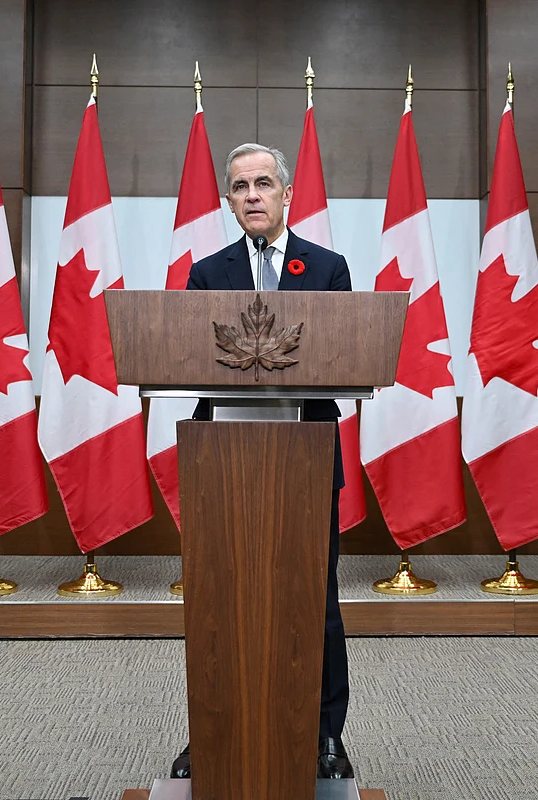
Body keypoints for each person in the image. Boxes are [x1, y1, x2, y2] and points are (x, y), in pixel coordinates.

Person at [171, 143, 354, 780]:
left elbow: (343, 357)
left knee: (315, 598)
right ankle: (212, 733)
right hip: (221, 462)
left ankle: (326, 734)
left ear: (286, 194)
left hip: (306, 458)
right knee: (218, 601)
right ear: (229, 200)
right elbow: (189, 360)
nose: (252, 195)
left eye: (264, 183)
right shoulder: (206, 274)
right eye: (241, 186)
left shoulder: (327, 268)